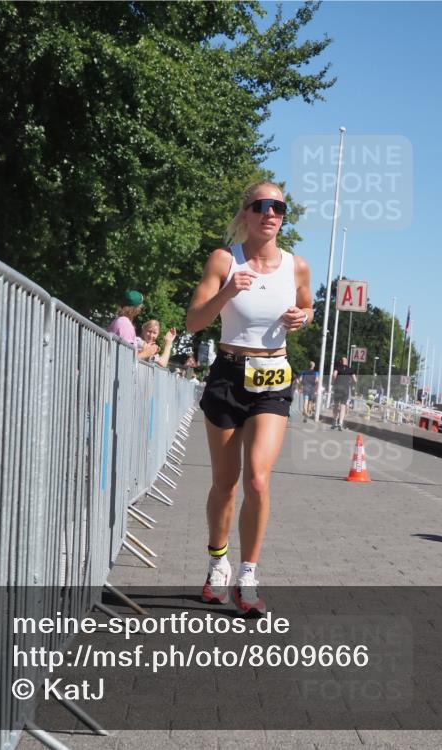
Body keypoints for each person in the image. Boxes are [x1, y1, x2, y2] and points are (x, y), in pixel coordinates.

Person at [186, 181, 312, 616]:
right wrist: (228, 291)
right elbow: (193, 322)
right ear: (245, 213)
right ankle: (217, 562)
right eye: (261, 206)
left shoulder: (297, 266)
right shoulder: (225, 260)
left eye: (278, 206)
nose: (270, 213)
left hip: (273, 377)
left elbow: (307, 305)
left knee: (258, 478)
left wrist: (303, 316)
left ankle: (248, 573)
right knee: (226, 483)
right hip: (228, 374)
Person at [108, 290, 155, 360]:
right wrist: (146, 353)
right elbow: (126, 358)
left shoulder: (120, 321)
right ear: (137, 309)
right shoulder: (125, 324)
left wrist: (142, 351)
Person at [331, 355, 356, 430]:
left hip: (338, 388)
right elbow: (355, 380)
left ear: (341, 362)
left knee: (336, 405)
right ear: (346, 362)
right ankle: (340, 423)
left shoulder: (337, 367)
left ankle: (334, 421)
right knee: (343, 406)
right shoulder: (350, 369)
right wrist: (351, 384)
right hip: (345, 389)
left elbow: (334, 375)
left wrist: (333, 382)